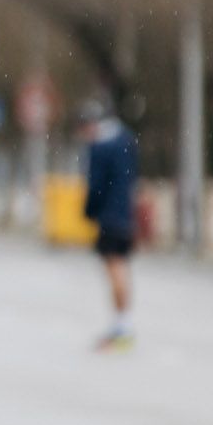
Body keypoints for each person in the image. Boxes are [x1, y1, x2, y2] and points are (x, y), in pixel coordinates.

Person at [81, 98, 140, 351]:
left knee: (114, 268)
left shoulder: (99, 147)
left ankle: (122, 327)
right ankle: (122, 323)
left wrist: (88, 211)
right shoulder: (126, 140)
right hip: (126, 214)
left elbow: (96, 186)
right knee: (122, 268)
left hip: (109, 217)